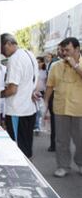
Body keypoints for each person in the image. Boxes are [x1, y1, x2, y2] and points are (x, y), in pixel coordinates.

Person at [44, 37, 82, 177]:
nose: (64, 53)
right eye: (63, 50)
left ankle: (80, 163)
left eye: (68, 50)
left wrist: (75, 66)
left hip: (79, 109)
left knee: (80, 140)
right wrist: (45, 104)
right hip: (60, 108)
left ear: (77, 49)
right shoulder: (56, 66)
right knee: (61, 140)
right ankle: (63, 166)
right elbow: (49, 86)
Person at [0, 33, 38, 159]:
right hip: (29, 109)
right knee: (26, 146)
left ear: (8, 44)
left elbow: (12, 89)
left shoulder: (15, 59)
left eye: (2, 50)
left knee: (18, 150)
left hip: (18, 111)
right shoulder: (29, 54)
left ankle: (24, 176)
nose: (2, 54)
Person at [45, 47, 62, 152]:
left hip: (61, 95)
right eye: (60, 49)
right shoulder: (54, 64)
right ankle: (54, 144)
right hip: (55, 95)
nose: (61, 51)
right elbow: (50, 83)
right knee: (55, 121)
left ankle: (56, 144)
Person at [34, 56, 47, 132]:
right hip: (34, 92)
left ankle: (38, 125)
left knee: (40, 110)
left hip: (42, 92)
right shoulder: (33, 71)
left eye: (39, 62)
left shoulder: (45, 71)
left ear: (42, 63)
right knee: (36, 109)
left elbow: (46, 82)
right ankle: (36, 125)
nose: (38, 63)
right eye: (37, 62)